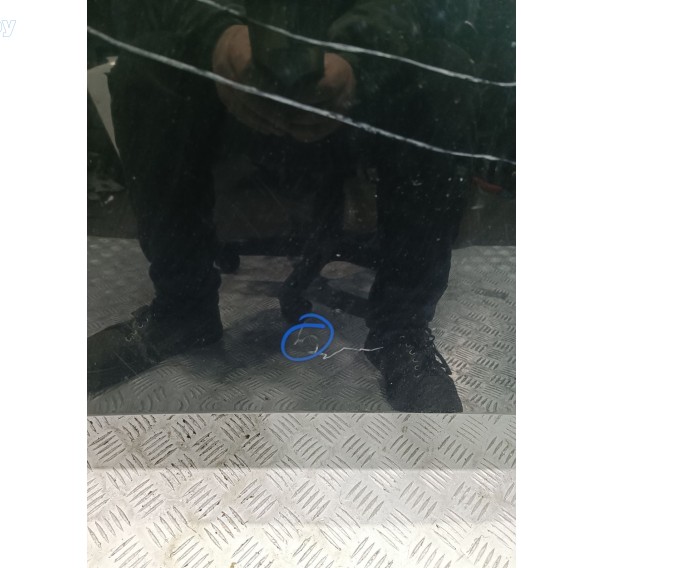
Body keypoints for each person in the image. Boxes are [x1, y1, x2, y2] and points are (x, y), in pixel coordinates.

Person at [88, 0, 481, 412]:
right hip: (230, 79)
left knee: (444, 71)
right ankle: (182, 310)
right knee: (145, 69)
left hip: (358, 79)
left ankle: (401, 328)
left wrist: (358, 54)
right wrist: (217, 37)